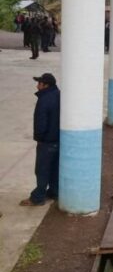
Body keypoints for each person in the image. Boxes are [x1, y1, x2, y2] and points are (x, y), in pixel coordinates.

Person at [20, 73, 60, 206]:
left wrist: (39, 138)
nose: (37, 86)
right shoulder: (58, 95)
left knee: (42, 170)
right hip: (58, 140)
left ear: (46, 85)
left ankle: (38, 197)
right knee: (54, 168)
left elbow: (41, 122)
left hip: (47, 141)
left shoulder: (44, 100)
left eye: (39, 83)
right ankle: (54, 192)